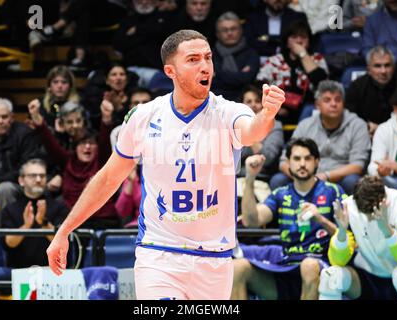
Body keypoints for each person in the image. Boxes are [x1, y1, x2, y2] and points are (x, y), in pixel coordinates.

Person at [47, 29, 285, 300]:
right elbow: (108, 178)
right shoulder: (144, 117)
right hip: (159, 252)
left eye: (207, 58)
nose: (205, 65)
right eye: (193, 59)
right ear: (170, 71)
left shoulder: (228, 111)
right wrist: (64, 231)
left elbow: (253, 131)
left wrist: (267, 114)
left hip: (214, 257)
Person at [232, 138, 344, 300]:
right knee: (238, 268)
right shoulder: (281, 194)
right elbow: (251, 221)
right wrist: (250, 178)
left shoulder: (333, 192)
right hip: (287, 267)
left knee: (308, 264)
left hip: (321, 267)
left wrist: (321, 220)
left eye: (308, 158)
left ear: (317, 161)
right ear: (288, 163)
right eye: (297, 159)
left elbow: (347, 237)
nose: (302, 164)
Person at [0, 159, 68, 300]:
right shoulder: (10, 209)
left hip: (51, 270)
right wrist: (26, 226)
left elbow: (63, 243)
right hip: (18, 271)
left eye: (42, 176)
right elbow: (8, 244)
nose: (38, 179)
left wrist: (42, 223)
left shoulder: (59, 207)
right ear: (21, 180)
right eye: (33, 176)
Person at [29, 96, 121, 229]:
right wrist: (37, 118)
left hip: (103, 221)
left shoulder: (102, 161)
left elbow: (104, 140)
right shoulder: (67, 161)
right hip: (75, 222)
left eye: (91, 143)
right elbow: (50, 143)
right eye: (83, 144)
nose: (87, 147)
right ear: (75, 147)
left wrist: (106, 118)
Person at [319, 176, 397, 300]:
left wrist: (387, 231)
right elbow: (337, 261)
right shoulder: (348, 207)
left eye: (371, 212)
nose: (368, 218)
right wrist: (341, 232)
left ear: (384, 200)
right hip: (367, 279)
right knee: (331, 276)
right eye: (364, 212)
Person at [270, 80, 371, 195]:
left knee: (352, 180)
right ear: (317, 105)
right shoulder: (305, 125)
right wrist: (301, 176)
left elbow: (357, 166)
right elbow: (284, 161)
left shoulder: (357, 125)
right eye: (327, 100)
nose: (333, 104)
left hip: (340, 179)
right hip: (304, 174)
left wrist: (325, 176)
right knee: (278, 180)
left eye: (338, 100)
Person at [256, 20, 328, 124]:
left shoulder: (317, 59)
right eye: (294, 37)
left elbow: (323, 83)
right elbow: (258, 86)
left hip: (308, 110)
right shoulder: (274, 61)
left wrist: (303, 54)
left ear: (309, 41)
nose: (299, 41)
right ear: (287, 42)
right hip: (277, 110)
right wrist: (275, 108)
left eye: (303, 37)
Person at [346, 46, 397, 137]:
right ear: (368, 69)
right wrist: (366, 126)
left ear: (394, 67)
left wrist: (382, 129)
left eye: (387, 65)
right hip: (364, 134)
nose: (383, 71)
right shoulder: (357, 86)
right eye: (377, 66)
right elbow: (349, 115)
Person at [368, 83, 397, 192]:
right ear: (396, 108)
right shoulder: (384, 130)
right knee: (371, 183)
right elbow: (373, 165)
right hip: (389, 182)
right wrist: (380, 170)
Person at [238, 85, 284, 182]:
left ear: (263, 104)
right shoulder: (235, 124)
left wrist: (251, 133)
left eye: (257, 101)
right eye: (249, 101)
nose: (253, 105)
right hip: (236, 177)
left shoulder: (275, 125)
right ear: (241, 105)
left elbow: (268, 158)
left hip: (261, 178)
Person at [211, 11, 260, 101]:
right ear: (217, 34)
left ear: (241, 30)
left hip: (244, 102)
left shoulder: (251, 53)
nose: (229, 33)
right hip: (215, 101)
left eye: (233, 29)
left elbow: (247, 79)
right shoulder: (210, 54)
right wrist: (238, 76)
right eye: (224, 30)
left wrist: (218, 74)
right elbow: (210, 83)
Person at [244, 0, 308, 59]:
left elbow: (302, 43)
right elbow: (250, 44)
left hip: (290, 61)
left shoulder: (298, 17)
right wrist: (279, 48)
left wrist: (267, 40)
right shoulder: (253, 18)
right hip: (258, 62)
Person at [363, 0, 397, 75]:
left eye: (395, 1)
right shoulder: (372, 19)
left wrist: (388, 60)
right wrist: (377, 61)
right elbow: (367, 48)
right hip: (378, 65)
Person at [27, 65, 80, 131]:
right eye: (55, 82)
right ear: (49, 86)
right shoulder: (39, 105)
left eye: (64, 82)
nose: (59, 86)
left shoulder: (79, 105)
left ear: (70, 86)